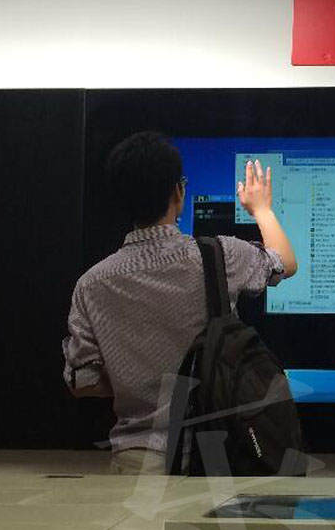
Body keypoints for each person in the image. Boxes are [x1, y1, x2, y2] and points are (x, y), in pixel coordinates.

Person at [62, 131, 297, 475]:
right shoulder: (220, 256)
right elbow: (285, 263)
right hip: (215, 458)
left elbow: (83, 382)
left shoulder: (91, 284)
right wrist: (261, 209)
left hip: (136, 463)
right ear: (178, 192)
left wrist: (135, 375)